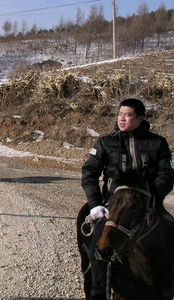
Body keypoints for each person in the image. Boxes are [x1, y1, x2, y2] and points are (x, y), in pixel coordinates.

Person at [81, 98, 174, 300]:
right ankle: (98, 293)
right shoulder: (106, 142)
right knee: (99, 243)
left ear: (140, 118)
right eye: (120, 114)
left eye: (128, 115)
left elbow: (166, 174)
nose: (122, 119)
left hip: (149, 204)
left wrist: (152, 198)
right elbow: (89, 173)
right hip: (114, 206)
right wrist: (95, 204)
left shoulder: (158, 143)